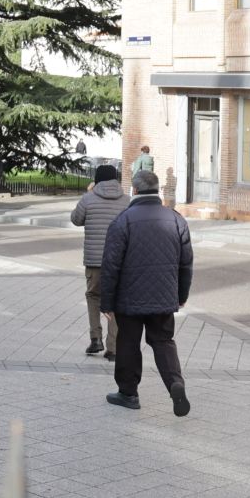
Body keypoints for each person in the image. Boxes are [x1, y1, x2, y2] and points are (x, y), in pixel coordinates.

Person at [96, 169, 193, 416]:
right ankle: (175, 383)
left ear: (135, 190)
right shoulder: (176, 219)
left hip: (129, 298)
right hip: (163, 297)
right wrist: (181, 296)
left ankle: (128, 393)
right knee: (163, 341)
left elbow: (111, 266)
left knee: (128, 341)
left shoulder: (123, 221)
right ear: (158, 190)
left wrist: (106, 302)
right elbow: (186, 263)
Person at [70, 163, 129, 358]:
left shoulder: (88, 198)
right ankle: (113, 348)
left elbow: (76, 219)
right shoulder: (127, 201)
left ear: (97, 179)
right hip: (120, 261)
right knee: (117, 301)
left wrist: (88, 193)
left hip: (95, 260)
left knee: (94, 296)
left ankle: (95, 338)